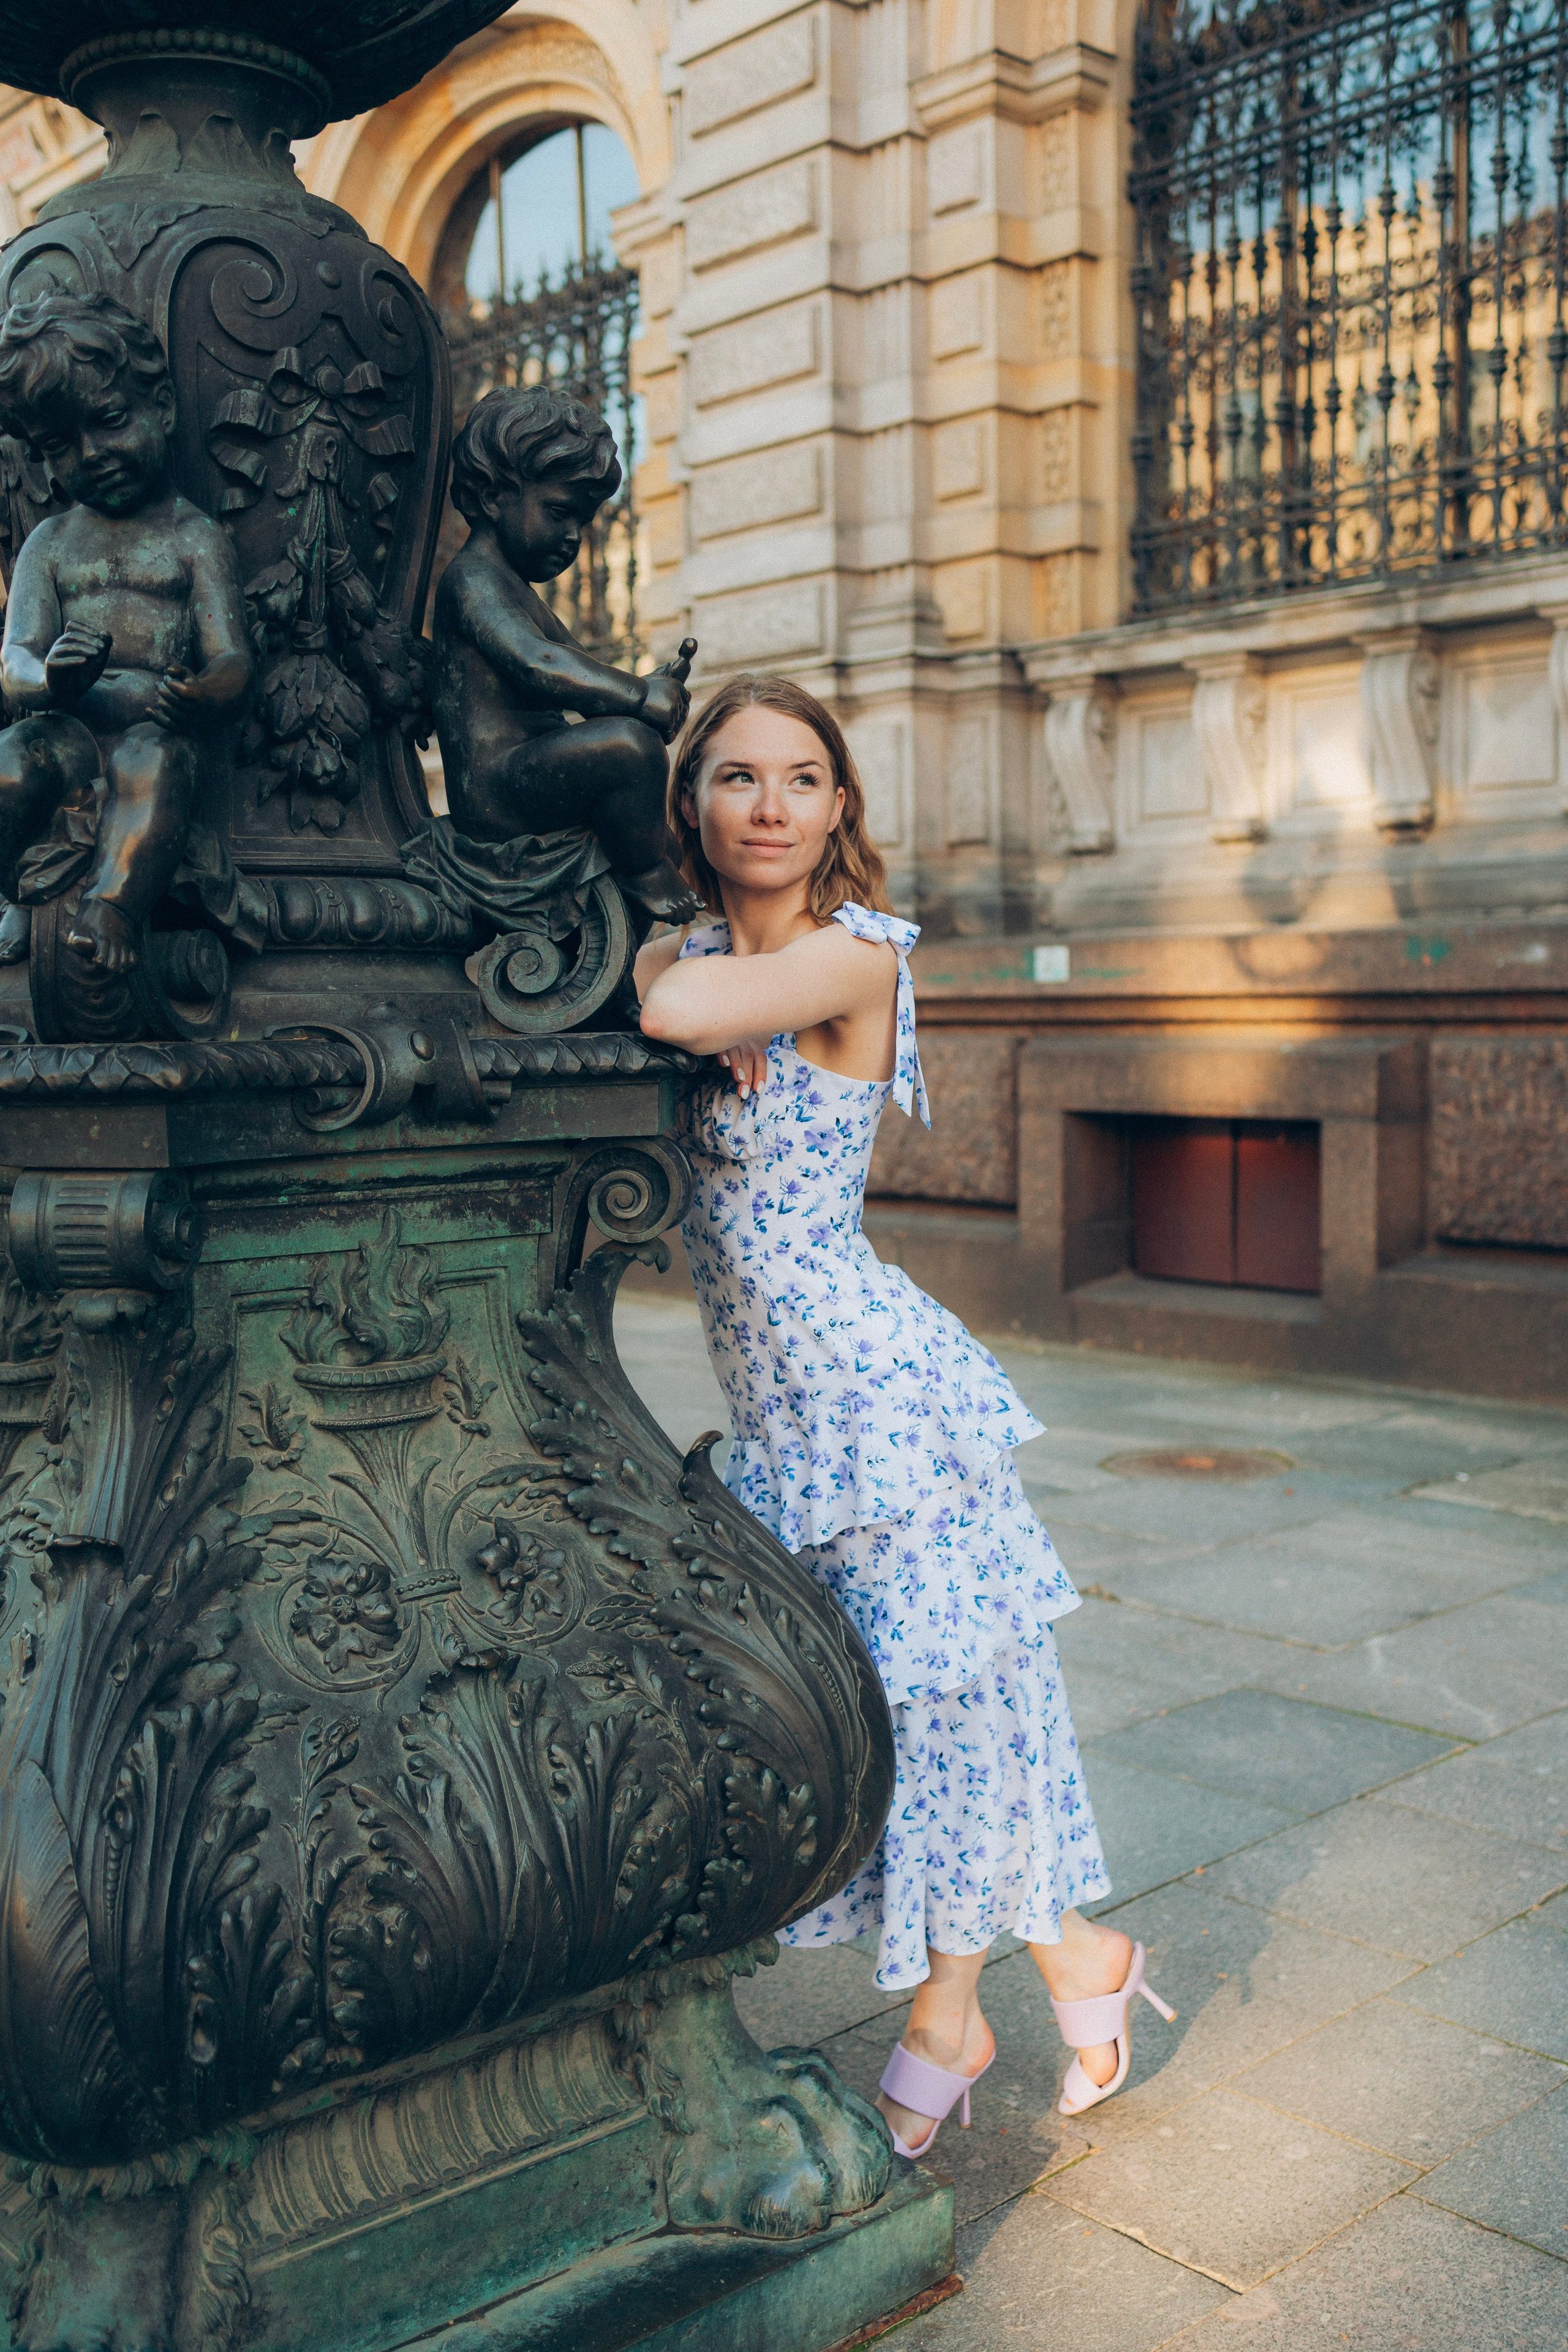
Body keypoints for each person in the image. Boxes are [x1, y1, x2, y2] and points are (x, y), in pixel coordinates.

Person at [636, 675, 1173, 2157]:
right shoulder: (709, 956)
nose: (767, 805)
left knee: (938, 1714)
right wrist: (685, 983)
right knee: (898, 1713)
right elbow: (661, 979)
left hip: (876, 1405)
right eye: (734, 776)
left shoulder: (853, 956)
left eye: (799, 779)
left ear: (836, 811)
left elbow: (660, 1004)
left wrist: (689, 1005)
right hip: (781, 1419)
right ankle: (1075, 1954)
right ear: (691, 802)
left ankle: (948, 2018)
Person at [0, 289, 252, 972]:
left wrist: (202, 693)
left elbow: (232, 658)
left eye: (109, 421)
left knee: (152, 762)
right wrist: (50, 678)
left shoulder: (194, 537)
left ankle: (112, 904)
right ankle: (15, 891)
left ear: (161, 408)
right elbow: (15, 659)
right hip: (69, 730)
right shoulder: (49, 544)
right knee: (11, 761)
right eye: (59, 445)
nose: (91, 453)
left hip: (153, 727)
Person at [432, 385, 701, 925]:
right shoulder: (473, 580)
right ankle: (645, 874)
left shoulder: (515, 589)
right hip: (496, 790)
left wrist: (646, 687)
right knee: (630, 748)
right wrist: (639, 697)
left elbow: (579, 668)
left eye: (583, 520)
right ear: (493, 497)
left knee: (663, 835)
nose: (573, 536)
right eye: (559, 512)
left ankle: (639, 891)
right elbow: (542, 664)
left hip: (531, 771)